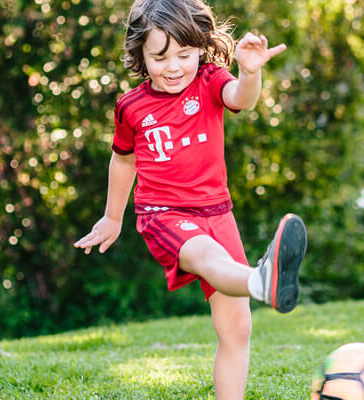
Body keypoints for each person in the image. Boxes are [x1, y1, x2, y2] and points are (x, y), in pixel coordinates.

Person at [72, 0, 305, 398]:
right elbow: (123, 160)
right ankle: (260, 280)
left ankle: (258, 285)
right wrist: (112, 218)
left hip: (217, 211)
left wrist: (250, 73)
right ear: (140, 55)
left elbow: (240, 98)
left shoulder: (210, 80)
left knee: (237, 329)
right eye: (160, 57)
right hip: (163, 215)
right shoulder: (131, 107)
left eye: (184, 53)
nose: (175, 66)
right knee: (208, 258)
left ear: (200, 48)